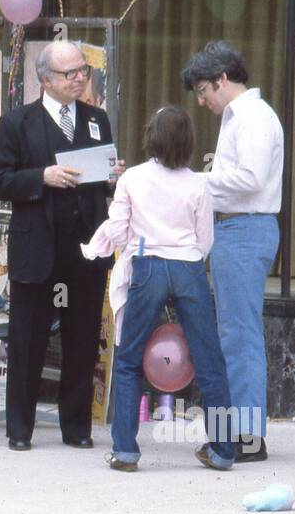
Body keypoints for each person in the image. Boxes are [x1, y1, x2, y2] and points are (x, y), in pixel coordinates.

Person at [82, 105, 236, 472]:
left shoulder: (132, 178)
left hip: (147, 265)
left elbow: (118, 228)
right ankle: (223, 450)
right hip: (188, 267)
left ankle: (126, 451)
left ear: (151, 136)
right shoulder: (199, 183)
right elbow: (205, 240)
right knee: (209, 360)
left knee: (130, 358)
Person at [0, 40, 125, 451]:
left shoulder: (96, 118)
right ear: (45, 80)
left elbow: (100, 175)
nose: (80, 78)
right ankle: (19, 429)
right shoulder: (17, 122)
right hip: (38, 246)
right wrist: (40, 177)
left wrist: (113, 176)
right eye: (70, 73)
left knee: (82, 337)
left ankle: (77, 427)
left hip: (84, 245)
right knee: (28, 339)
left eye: (83, 70)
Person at [182, 40, 283, 462]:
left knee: (239, 336)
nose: (202, 101)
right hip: (233, 229)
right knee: (233, 334)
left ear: (223, 79)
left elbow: (251, 179)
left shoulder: (253, 118)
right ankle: (238, 432)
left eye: (204, 90)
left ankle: (247, 436)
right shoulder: (238, 117)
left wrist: (193, 182)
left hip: (244, 227)